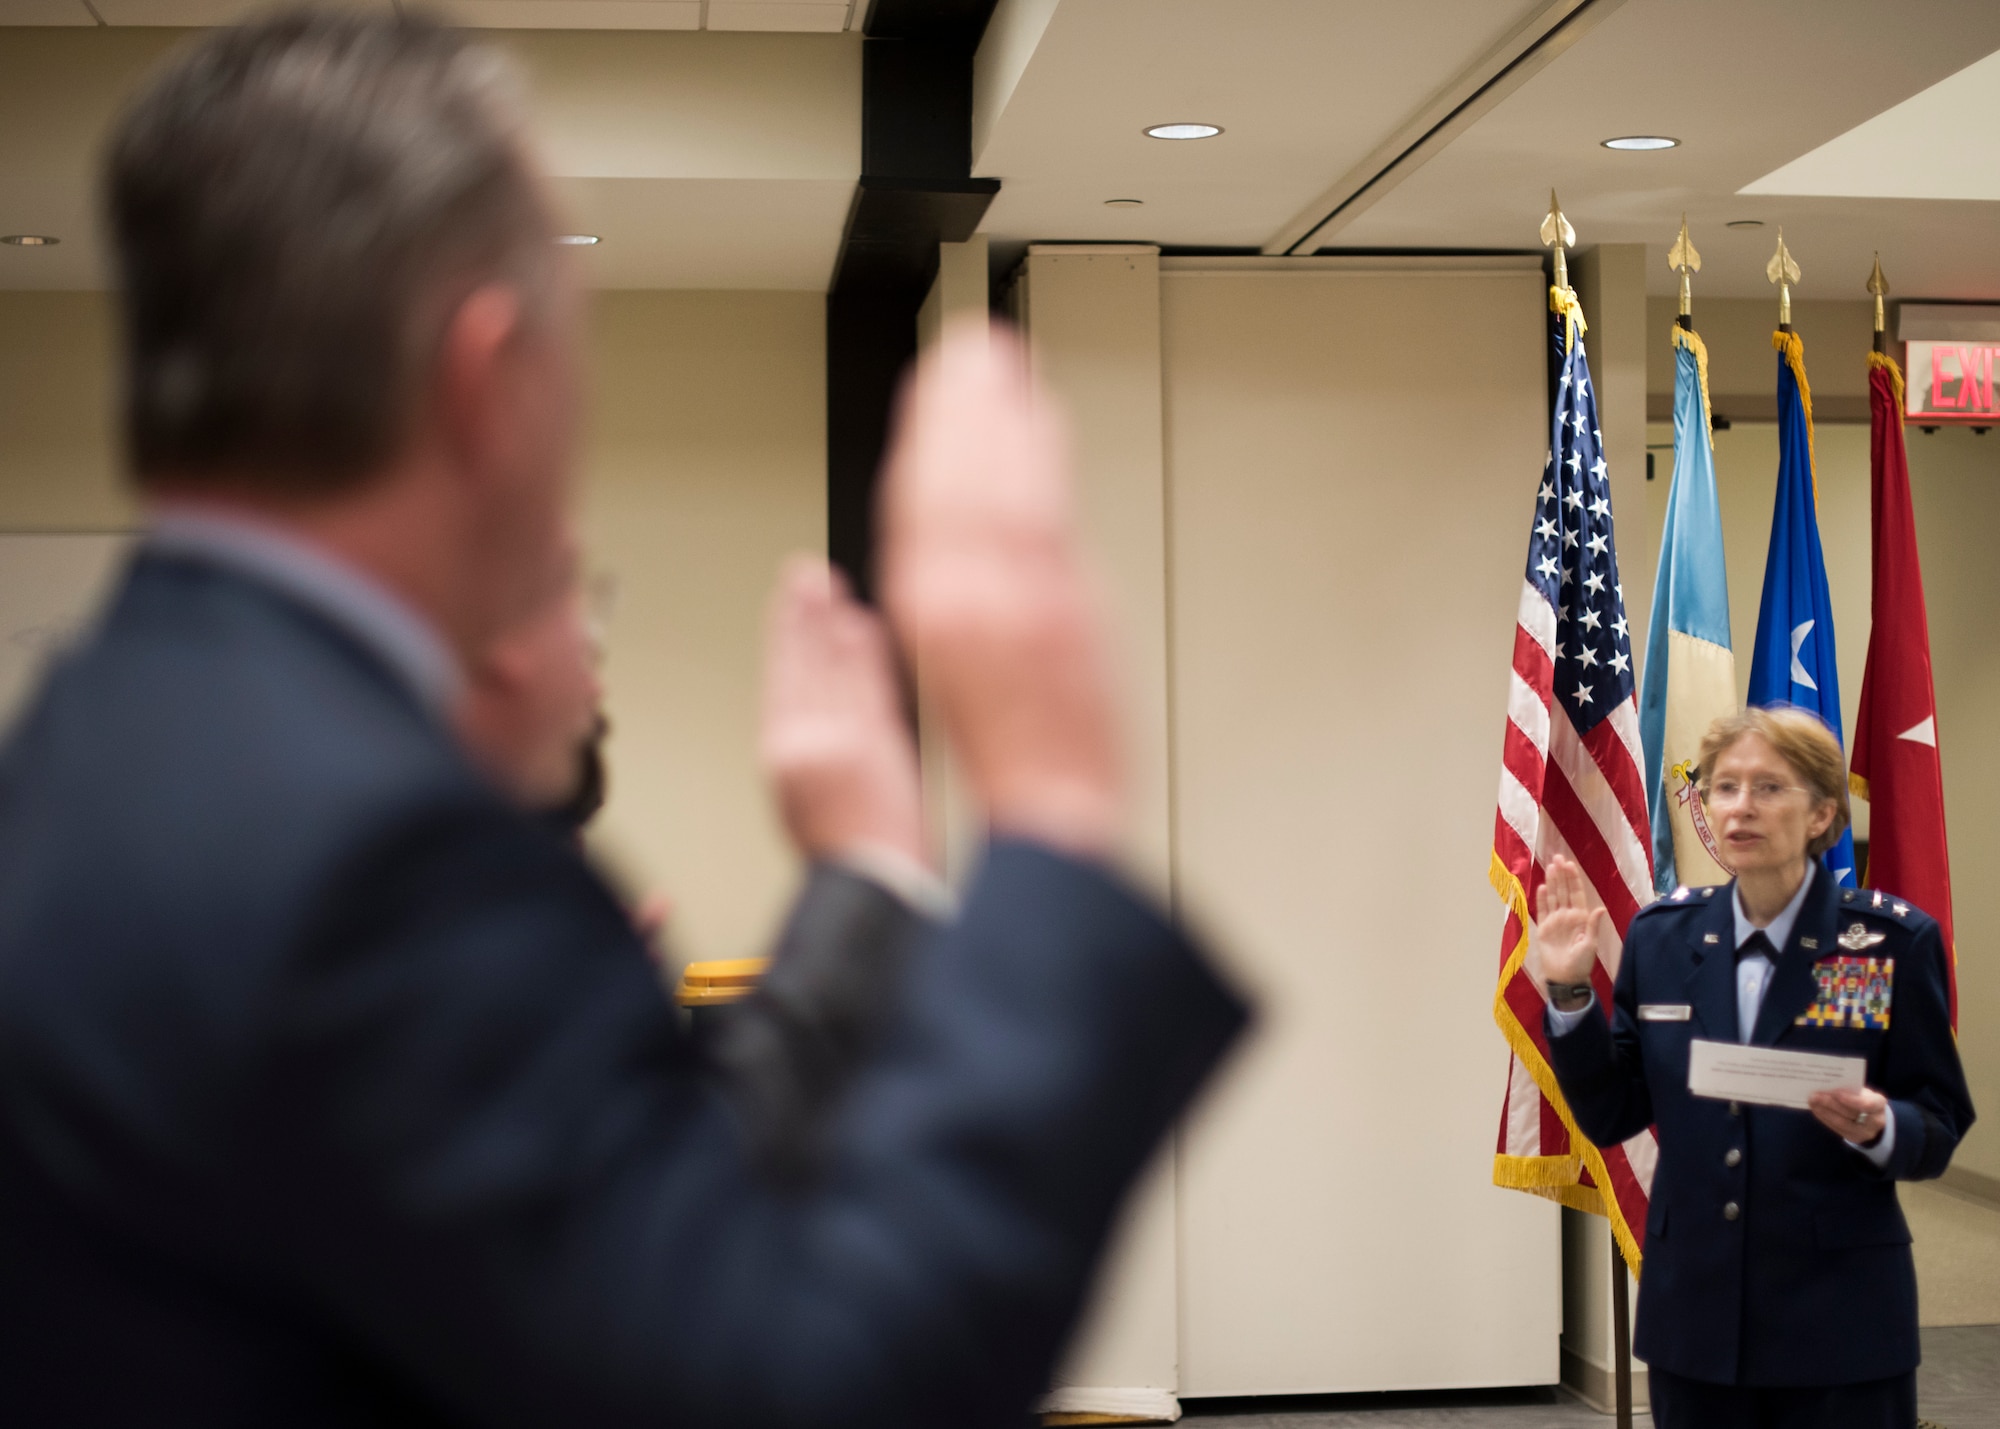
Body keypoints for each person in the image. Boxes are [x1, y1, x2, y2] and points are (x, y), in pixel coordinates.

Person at [0, 12, 1247, 1427]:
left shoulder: (92, 740)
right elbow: (809, 1386)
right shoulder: (376, 861)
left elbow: (627, 1247)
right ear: (487, 380)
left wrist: (866, 869)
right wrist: (1049, 803)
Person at [1536, 706, 1973, 1429]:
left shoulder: (1889, 943)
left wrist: (1881, 1126)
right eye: (1724, 787)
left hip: (1840, 1317)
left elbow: (1939, 1118)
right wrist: (1571, 991)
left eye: (1769, 787)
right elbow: (1613, 1110)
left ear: (1821, 812)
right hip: (1694, 1313)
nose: (1740, 806)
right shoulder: (1663, 937)